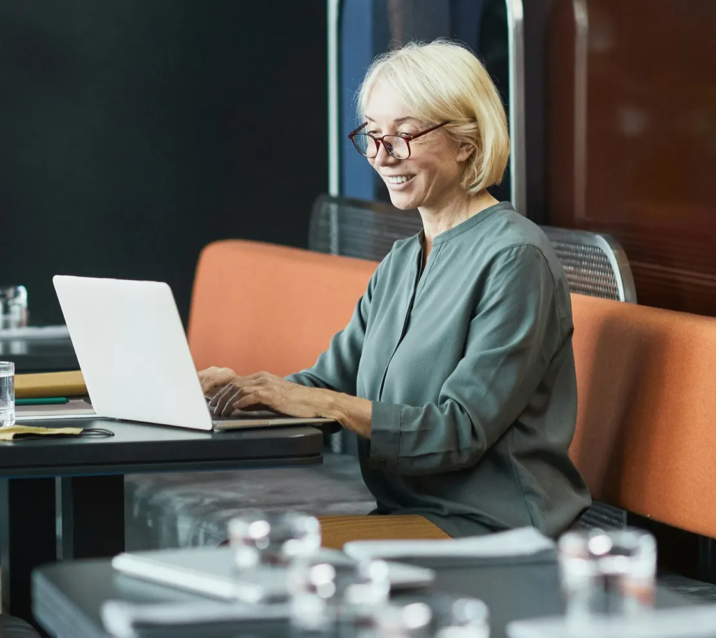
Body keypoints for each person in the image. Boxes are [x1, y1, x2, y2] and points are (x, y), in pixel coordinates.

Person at [200, 39, 590, 539]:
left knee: (271, 564)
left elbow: (459, 431)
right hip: (408, 518)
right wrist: (240, 390)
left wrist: (327, 406)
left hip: (495, 526)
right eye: (373, 136)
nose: (383, 157)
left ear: (466, 141)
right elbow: (327, 384)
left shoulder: (516, 259)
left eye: (404, 135)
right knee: (256, 552)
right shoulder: (402, 261)